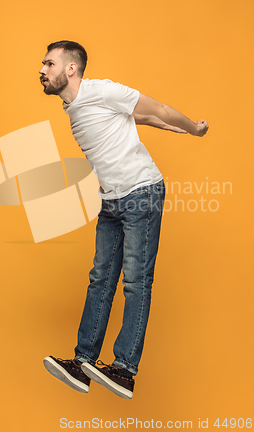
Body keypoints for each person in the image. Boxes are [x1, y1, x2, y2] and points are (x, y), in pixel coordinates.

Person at [40, 40, 209, 399]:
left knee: (135, 281)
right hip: (112, 201)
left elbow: (155, 108)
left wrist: (192, 129)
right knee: (100, 279)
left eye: (48, 64)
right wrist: (164, 126)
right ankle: (82, 363)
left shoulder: (102, 90)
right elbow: (139, 119)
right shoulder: (73, 107)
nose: (42, 70)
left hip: (141, 193)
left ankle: (124, 369)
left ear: (70, 69)